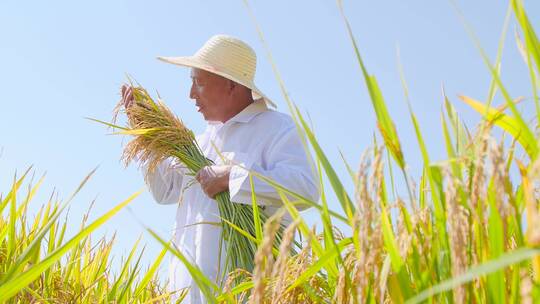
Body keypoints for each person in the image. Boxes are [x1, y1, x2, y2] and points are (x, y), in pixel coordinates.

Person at [120, 34, 319, 304]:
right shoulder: (200, 144)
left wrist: (232, 177)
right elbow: (164, 191)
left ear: (230, 84)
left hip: (246, 295)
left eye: (198, 82)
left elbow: (305, 188)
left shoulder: (277, 129)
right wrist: (144, 134)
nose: (190, 94)